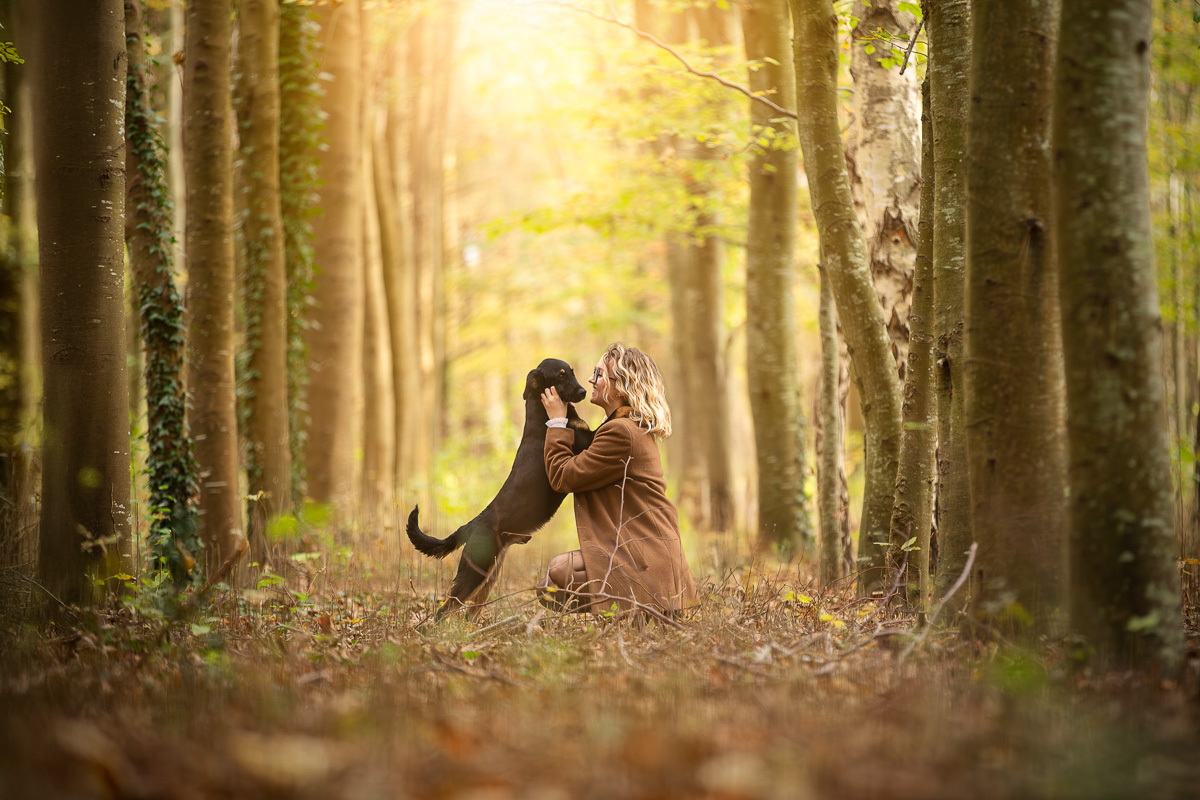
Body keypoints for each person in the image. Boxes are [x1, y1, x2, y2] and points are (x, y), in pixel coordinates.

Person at [537, 342, 697, 618]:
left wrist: (557, 422)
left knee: (558, 572)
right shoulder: (626, 427)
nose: (590, 380)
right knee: (548, 585)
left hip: (646, 560)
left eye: (599, 374)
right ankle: (632, 614)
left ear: (620, 387)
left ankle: (641, 612)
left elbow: (563, 476)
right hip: (648, 555)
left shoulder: (621, 433)